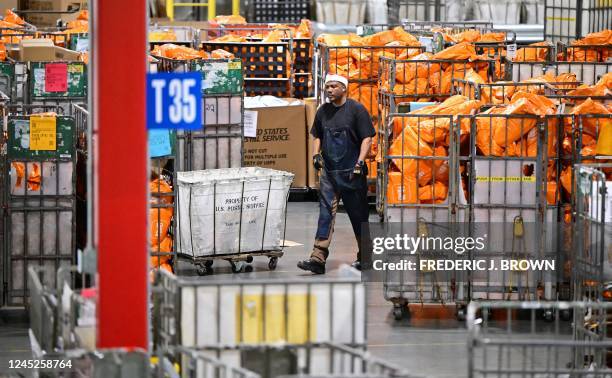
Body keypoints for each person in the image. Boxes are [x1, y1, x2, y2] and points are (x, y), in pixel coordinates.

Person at [297, 74, 375, 274]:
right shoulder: (323, 111)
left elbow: (367, 138)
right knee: (325, 215)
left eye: (333, 86)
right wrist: (316, 155)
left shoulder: (356, 110)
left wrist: (360, 162)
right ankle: (318, 258)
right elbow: (317, 135)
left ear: (344, 88)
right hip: (330, 174)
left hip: (352, 174)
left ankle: (366, 257)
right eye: (327, 87)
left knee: (358, 216)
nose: (329, 90)